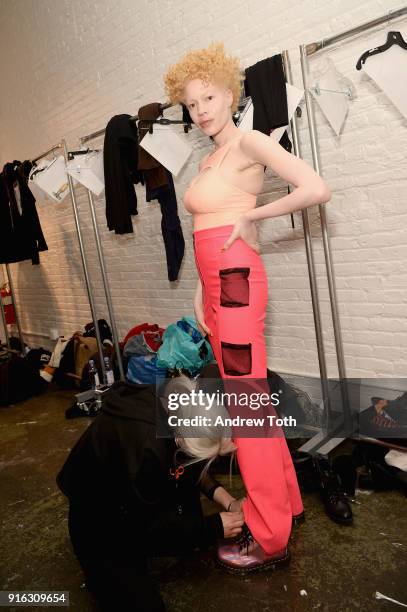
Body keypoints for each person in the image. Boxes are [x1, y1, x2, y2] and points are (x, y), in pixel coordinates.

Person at [163, 42, 331, 571]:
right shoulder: (211, 154)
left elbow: (315, 187)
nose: (202, 109)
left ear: (231, 94)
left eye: (209, 97)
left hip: (237, 283)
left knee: (246, 409)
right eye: (192, 104)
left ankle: (269, 535)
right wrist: (200, 288)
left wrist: (253, 219)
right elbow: (204, 227)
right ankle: (287, 506)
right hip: (219, 288)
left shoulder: (248, 140)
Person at [56, 378, 244, 612]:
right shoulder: (146, 449)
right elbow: (144, 529)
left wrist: (228, 501)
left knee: (186, 515)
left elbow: (191, 467)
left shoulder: (179, 409)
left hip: (132, 494)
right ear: (183, 440)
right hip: (100, 523)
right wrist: (212, 527)